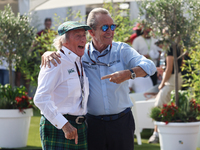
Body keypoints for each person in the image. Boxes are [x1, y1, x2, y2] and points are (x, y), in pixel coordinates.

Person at [41, 8, 157, 150]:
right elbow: (65, 53)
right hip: (93, 124)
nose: (110, 31)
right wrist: (48, 53)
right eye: (104, 27)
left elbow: (150, 66)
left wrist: (128, 74)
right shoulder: (81, 54)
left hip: (122, 123)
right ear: (91, 32)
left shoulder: (122, 50)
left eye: (112, 26)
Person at [34, 21, 91, 150]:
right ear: (64, 41)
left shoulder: (81, 59)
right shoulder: (55, 61)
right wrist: (64, 125)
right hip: (59, 126)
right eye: (77, 36)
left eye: (84, 35)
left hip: (80, 126)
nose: (83, 39)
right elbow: (40, 98)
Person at [148, 33, 183, 144]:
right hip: (176, 79)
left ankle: (156, 135)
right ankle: (159, 134)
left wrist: (161, 84)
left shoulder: (171, 48)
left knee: (159, 106)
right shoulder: (177, 47)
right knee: (167, 106)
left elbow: (169, 68)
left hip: (171, 81)